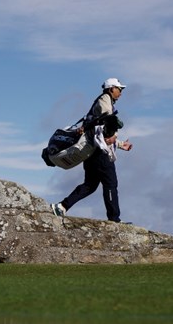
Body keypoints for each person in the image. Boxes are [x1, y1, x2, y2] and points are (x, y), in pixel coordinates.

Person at [51, 78, 134, 223]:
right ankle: (114, 221)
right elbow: (107, 125)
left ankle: (62, 206)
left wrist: (120, 144)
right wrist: (115, 135)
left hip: (91, 150)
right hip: (100, 152)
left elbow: (99, 130)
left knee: (90, 185)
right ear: (111, 89)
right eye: (119, 89)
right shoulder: (105, 99)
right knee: (110, 183)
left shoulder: (101, 101)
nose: (121, 92)